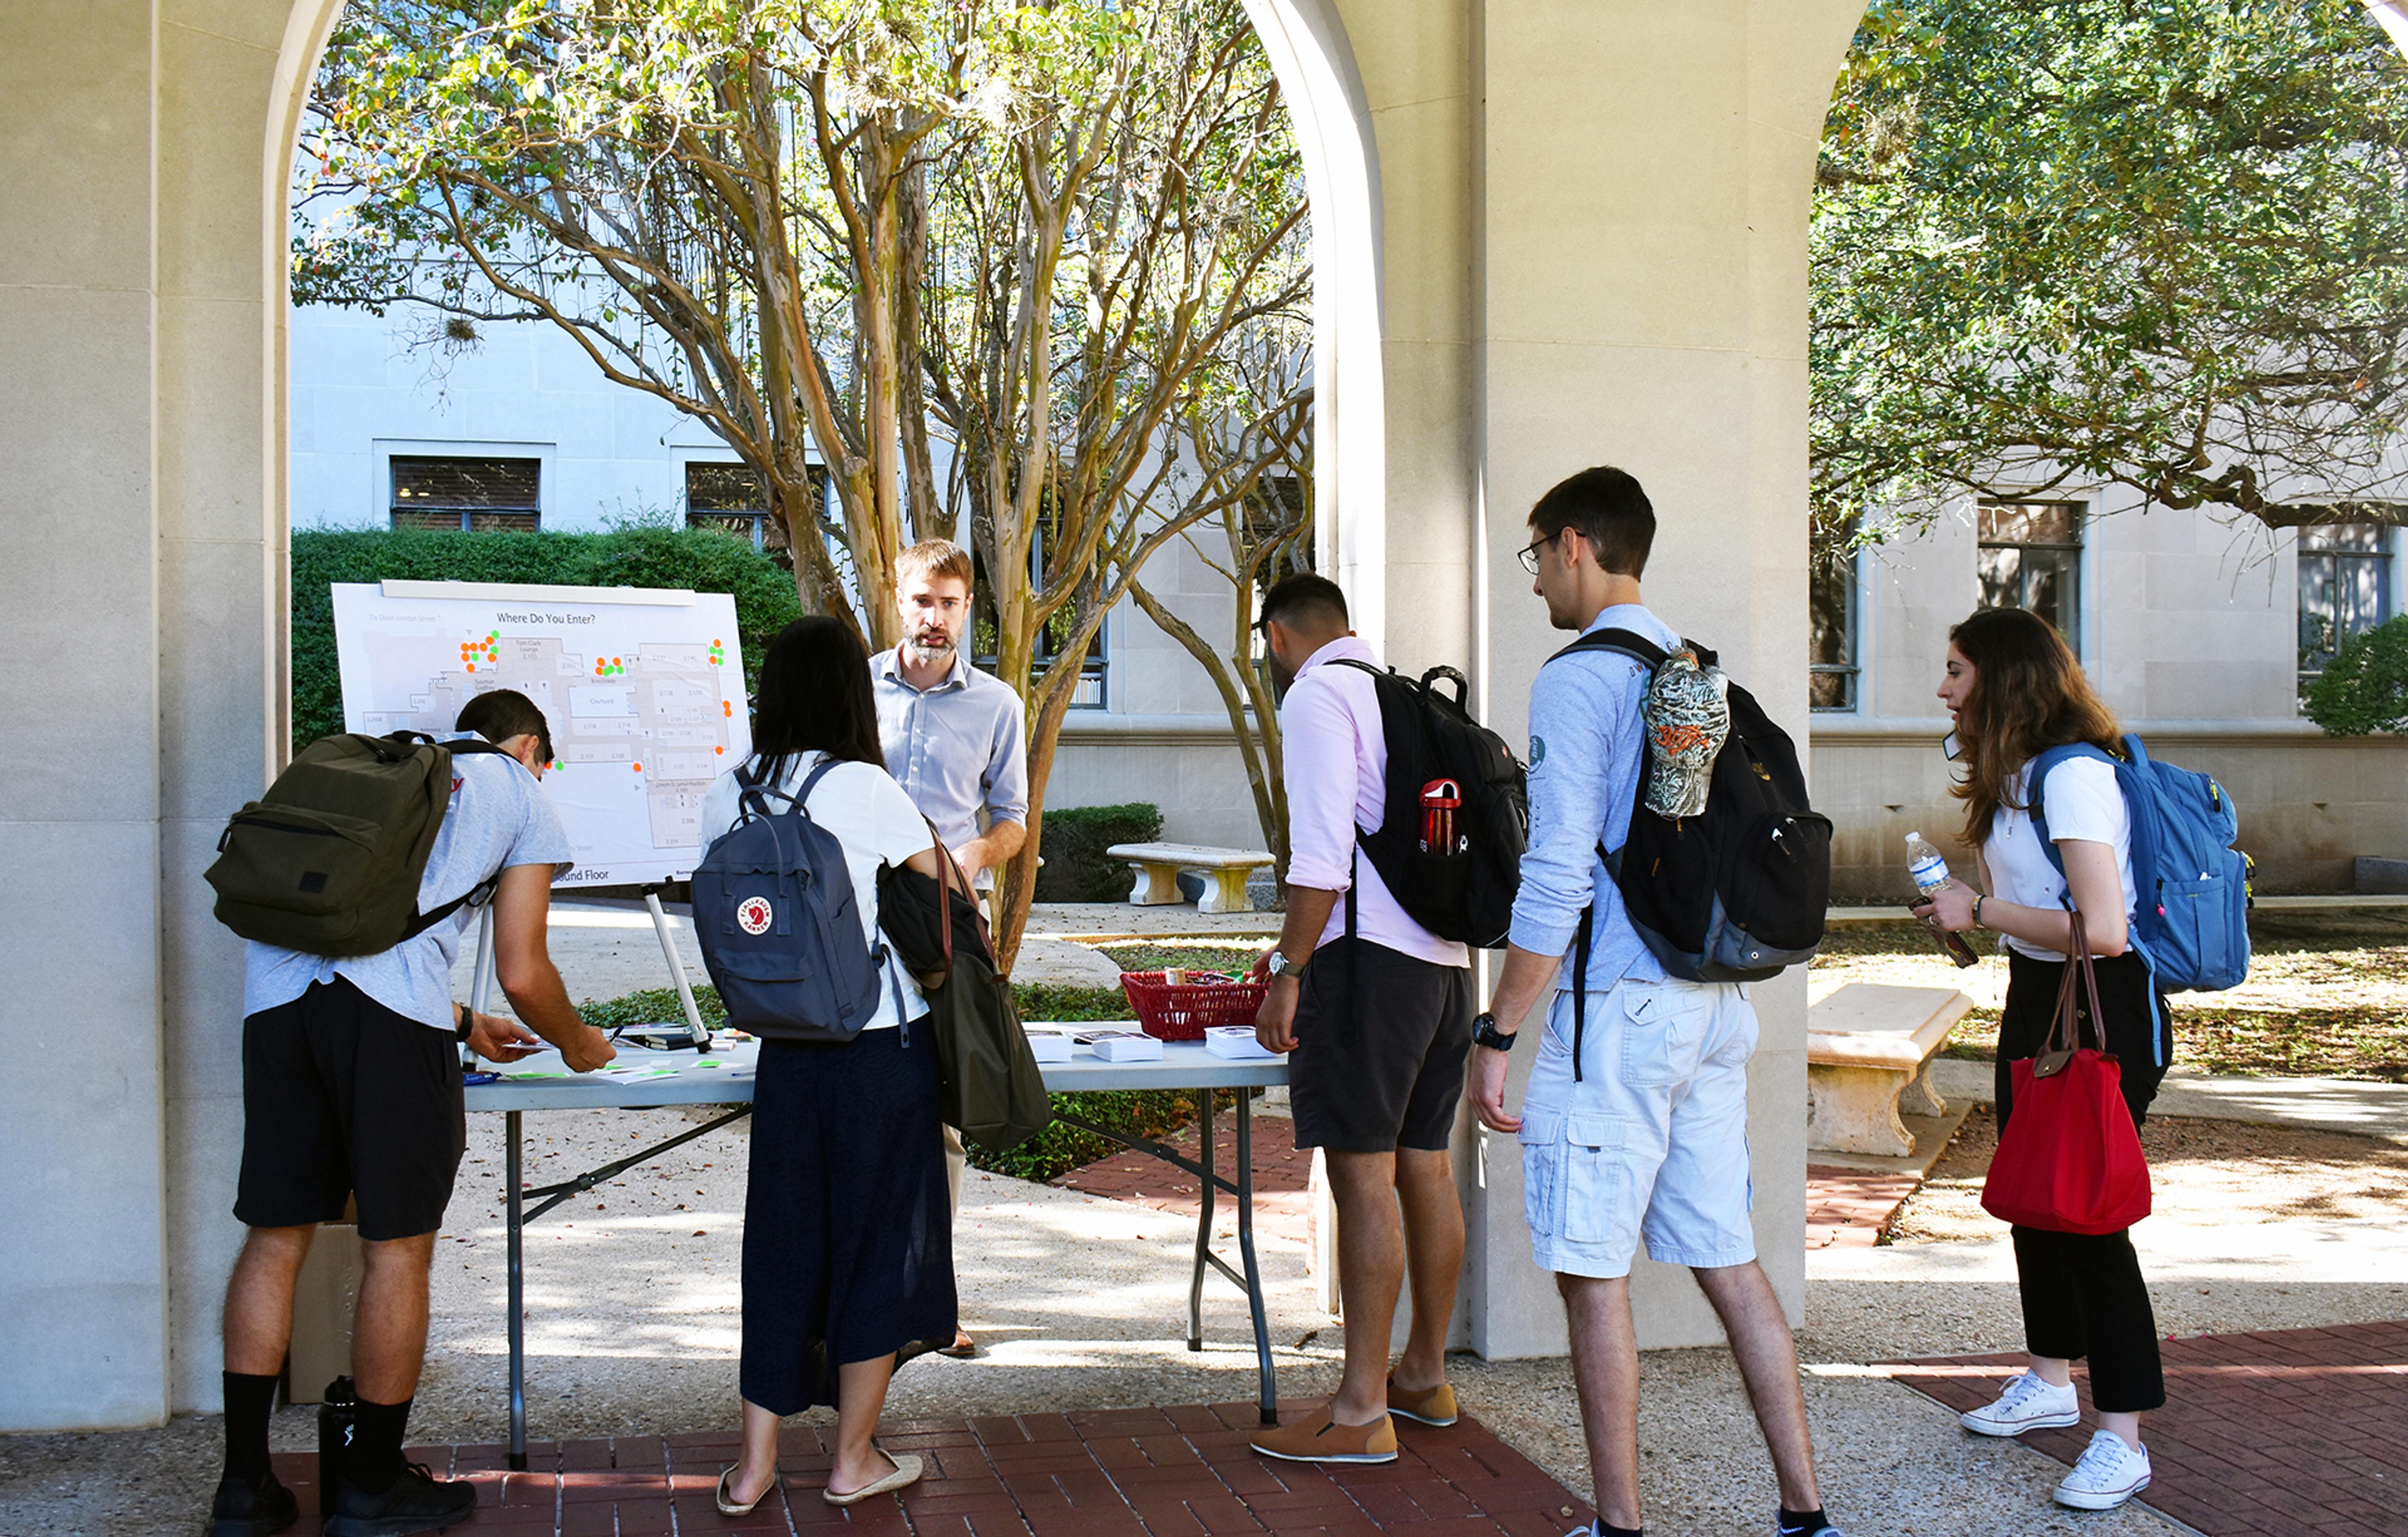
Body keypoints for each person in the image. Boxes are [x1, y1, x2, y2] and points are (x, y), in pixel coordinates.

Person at [1466, 467, 1845, 1537]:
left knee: (1593, 1273)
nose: (1537, 577)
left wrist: (1499, 1033)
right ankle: (1804, 1515)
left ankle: (1620, 1529)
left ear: (1575, 544)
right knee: (1728, 1256)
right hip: (1712, 1006)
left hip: (1622, 1012)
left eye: (1537, 553)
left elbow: (1556, 876)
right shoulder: (1691, 664)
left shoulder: (1579, 679)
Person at [211, 688, 617, 1537]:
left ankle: (244, 1488)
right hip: (389, 1028)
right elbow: (524, 966)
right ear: (531, 745)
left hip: (276, 1008)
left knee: (276, 1233)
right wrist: (581, 1043)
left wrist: (464, 1024)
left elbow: (361, 941)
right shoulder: (517, 788)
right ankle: (370, 1487)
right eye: (549, 761)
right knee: (397, 1246)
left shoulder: (383, 767)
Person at [1914, 605, 2170, 1512]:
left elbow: (2103, 930)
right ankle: (2050, 1381)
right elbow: (2028, 910)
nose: (1942, 689)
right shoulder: (2010, 778)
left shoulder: (2072, 777)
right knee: (2035, 1199)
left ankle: (2123, 1435)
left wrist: (1978, 911)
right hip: (2038, 998)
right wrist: (1964, 912)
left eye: (1955, 671)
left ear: (2002, 677)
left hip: (2102, 1010)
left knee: (2091, 1217)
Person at [710, 616, 956, 1518]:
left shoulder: (726, 793)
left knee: (779, 1245)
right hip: (878, 1046)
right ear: (853, 694)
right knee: (877, 1246)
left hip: (786, 1050)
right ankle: (853, 1460)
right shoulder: (864, 786)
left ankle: (754, 1466)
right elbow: (944, 903)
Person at [1244, 574, 1473, 1466]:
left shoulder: (1316, 696)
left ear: (1278, 637)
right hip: (1447, 971)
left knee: (1363, 1178)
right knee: (1427, 1168)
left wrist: (1288, 971)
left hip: (1369, 968)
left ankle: (1358, 1411)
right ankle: (1421, 1376)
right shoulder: (1399, 693)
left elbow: (1321, 854)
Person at [870, 536, 1029, 1357]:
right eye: (923, 601)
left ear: (970, 608)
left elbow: (1013, 820)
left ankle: (931, 1302)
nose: (935, 619)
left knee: (946, 1120)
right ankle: (862, 1306)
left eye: (951, 604)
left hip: (947, 928)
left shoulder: (998, 704)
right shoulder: (858, 690)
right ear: (901, 599)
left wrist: (968, 857)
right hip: (858, 931)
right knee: (869, 1106)